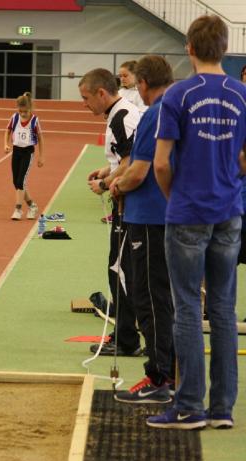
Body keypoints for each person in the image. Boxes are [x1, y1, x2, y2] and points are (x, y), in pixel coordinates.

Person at [148, 15, 246, 430]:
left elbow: (160, 163)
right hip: (229, 213)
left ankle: (189, 405)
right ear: (225, 48)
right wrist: (230, 181)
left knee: (187, 306)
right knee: (223, 309)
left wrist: (175, 198)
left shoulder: (178, 95)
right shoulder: (242, 94)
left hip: (188, 211)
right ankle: (222, 408)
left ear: (188, 48)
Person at [109, 55, 176, 404]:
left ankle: (161, 377)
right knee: (161, 297)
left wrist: (116, 186)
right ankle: (168, 373)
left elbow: (140, 170)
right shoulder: (176, 108)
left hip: (150, 218)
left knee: (149, 298)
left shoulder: (155, 113)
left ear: (144, 84)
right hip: (163, 216)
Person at [79, 68, 142, 358]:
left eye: (86, 98)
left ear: (102, 93)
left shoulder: (121, 116)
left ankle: (127, 340)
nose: (84, 104)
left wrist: (106, 184)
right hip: (128, 203)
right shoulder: (120, 113)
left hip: (130, 205)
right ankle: (125, 335)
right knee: (120, 268)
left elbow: (132, 161)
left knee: (120, 269)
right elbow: (123, 157)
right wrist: (108, 169)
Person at [3, 91, 44, 220]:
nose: (22, 114)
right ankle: (32, 206)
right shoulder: (14, 118)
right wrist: (6, 144)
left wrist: (41, 156)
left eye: (25, 111)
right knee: (16, 182)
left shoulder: (34, 120)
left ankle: (18, 209)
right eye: (20, 111)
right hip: (16, 151)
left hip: (28, 152)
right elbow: (7, 131)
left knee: (21, 181)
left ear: (30, 108)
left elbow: (40, 138)